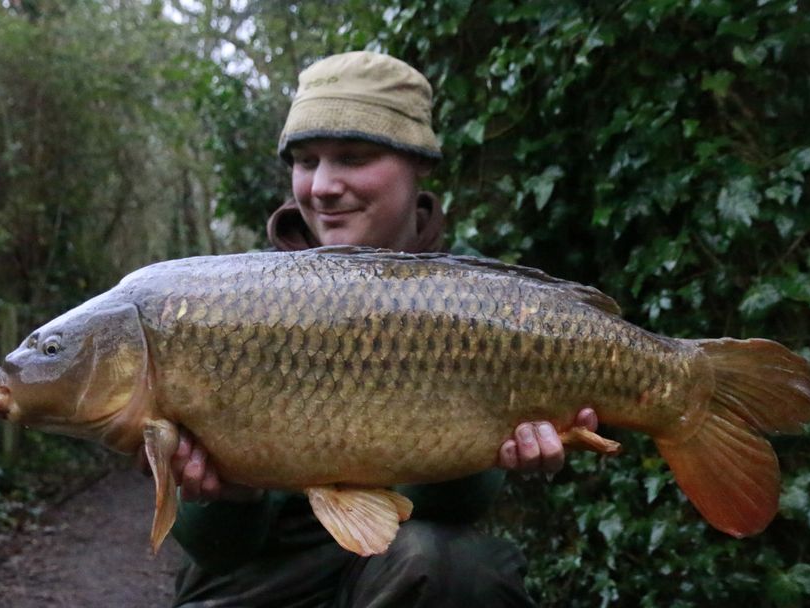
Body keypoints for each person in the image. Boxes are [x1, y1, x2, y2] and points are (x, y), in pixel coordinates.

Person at [166, 51, 599, 608]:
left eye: (353, 157)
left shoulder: (489, 303)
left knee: (455, 566)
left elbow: (451, 512)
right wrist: (229, 492)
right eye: (305, 161)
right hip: (261, 569)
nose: (322, 186)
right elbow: (213, 551)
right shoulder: (229, 301)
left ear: (419, 164)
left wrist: (496, 452)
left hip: (400, 558)